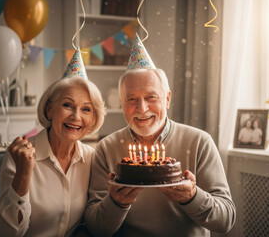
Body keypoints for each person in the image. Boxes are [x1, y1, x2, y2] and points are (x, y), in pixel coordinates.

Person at [84, 69, 236, 237]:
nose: (141, 108)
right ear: (122, 103)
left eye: (151, 97)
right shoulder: (106, 148)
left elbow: (225, 220)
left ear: (167, 99)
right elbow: (96, 228)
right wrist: (116, 203)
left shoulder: (200, 142)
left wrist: (192, 197)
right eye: (131, 99)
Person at [0, 76, 106, 237]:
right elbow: (7, 233)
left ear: (93, 119)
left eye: (86, 109)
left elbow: (92, 218)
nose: (76, 116)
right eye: (67, 105)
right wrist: (23, 172)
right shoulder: (20, 156)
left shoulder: (92, 158)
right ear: (49, 109)